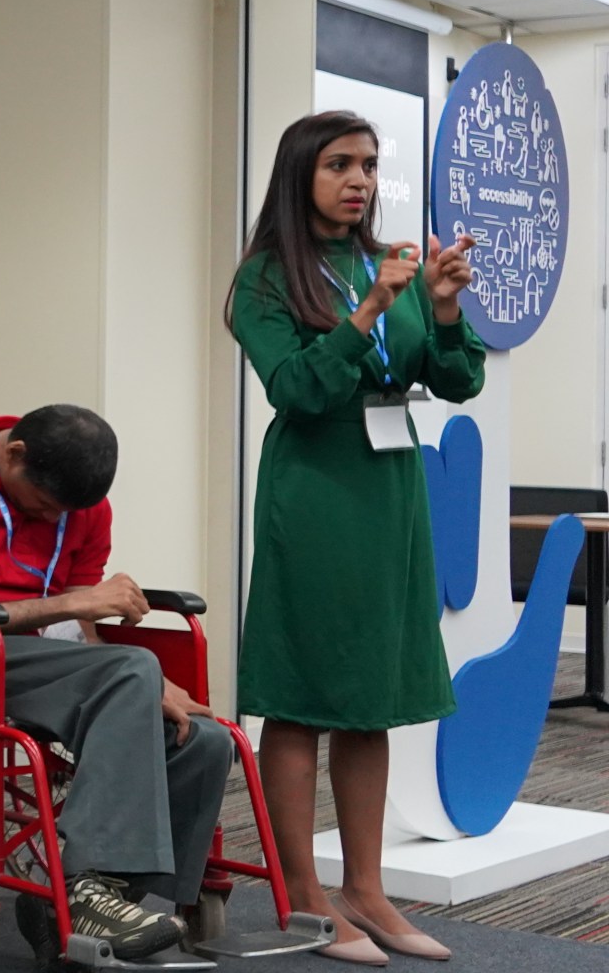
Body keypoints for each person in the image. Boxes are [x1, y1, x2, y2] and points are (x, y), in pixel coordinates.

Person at [228, 110, 482, 965]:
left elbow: (453, 381)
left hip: (389, 490)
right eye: (340, 164)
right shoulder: (264, 279)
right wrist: (369, 308)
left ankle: (365, 888)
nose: (360, 182)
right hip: (315, 492)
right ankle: (302, 895)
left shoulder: (395, 267)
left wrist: (441, 308)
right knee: (304, 694)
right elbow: (296, 389)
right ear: (302, 173)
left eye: (369, 166)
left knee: (371, 696)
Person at [0, 405, 234, 961]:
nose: (52, 521)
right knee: (133, 668)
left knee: (203, 737)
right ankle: (78, 887)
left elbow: (83, 631)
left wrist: (146, 687)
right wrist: (77, 609)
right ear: (14, 454)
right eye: (45, 506)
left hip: (43, 657)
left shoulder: (85, 507)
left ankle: (107, 898)